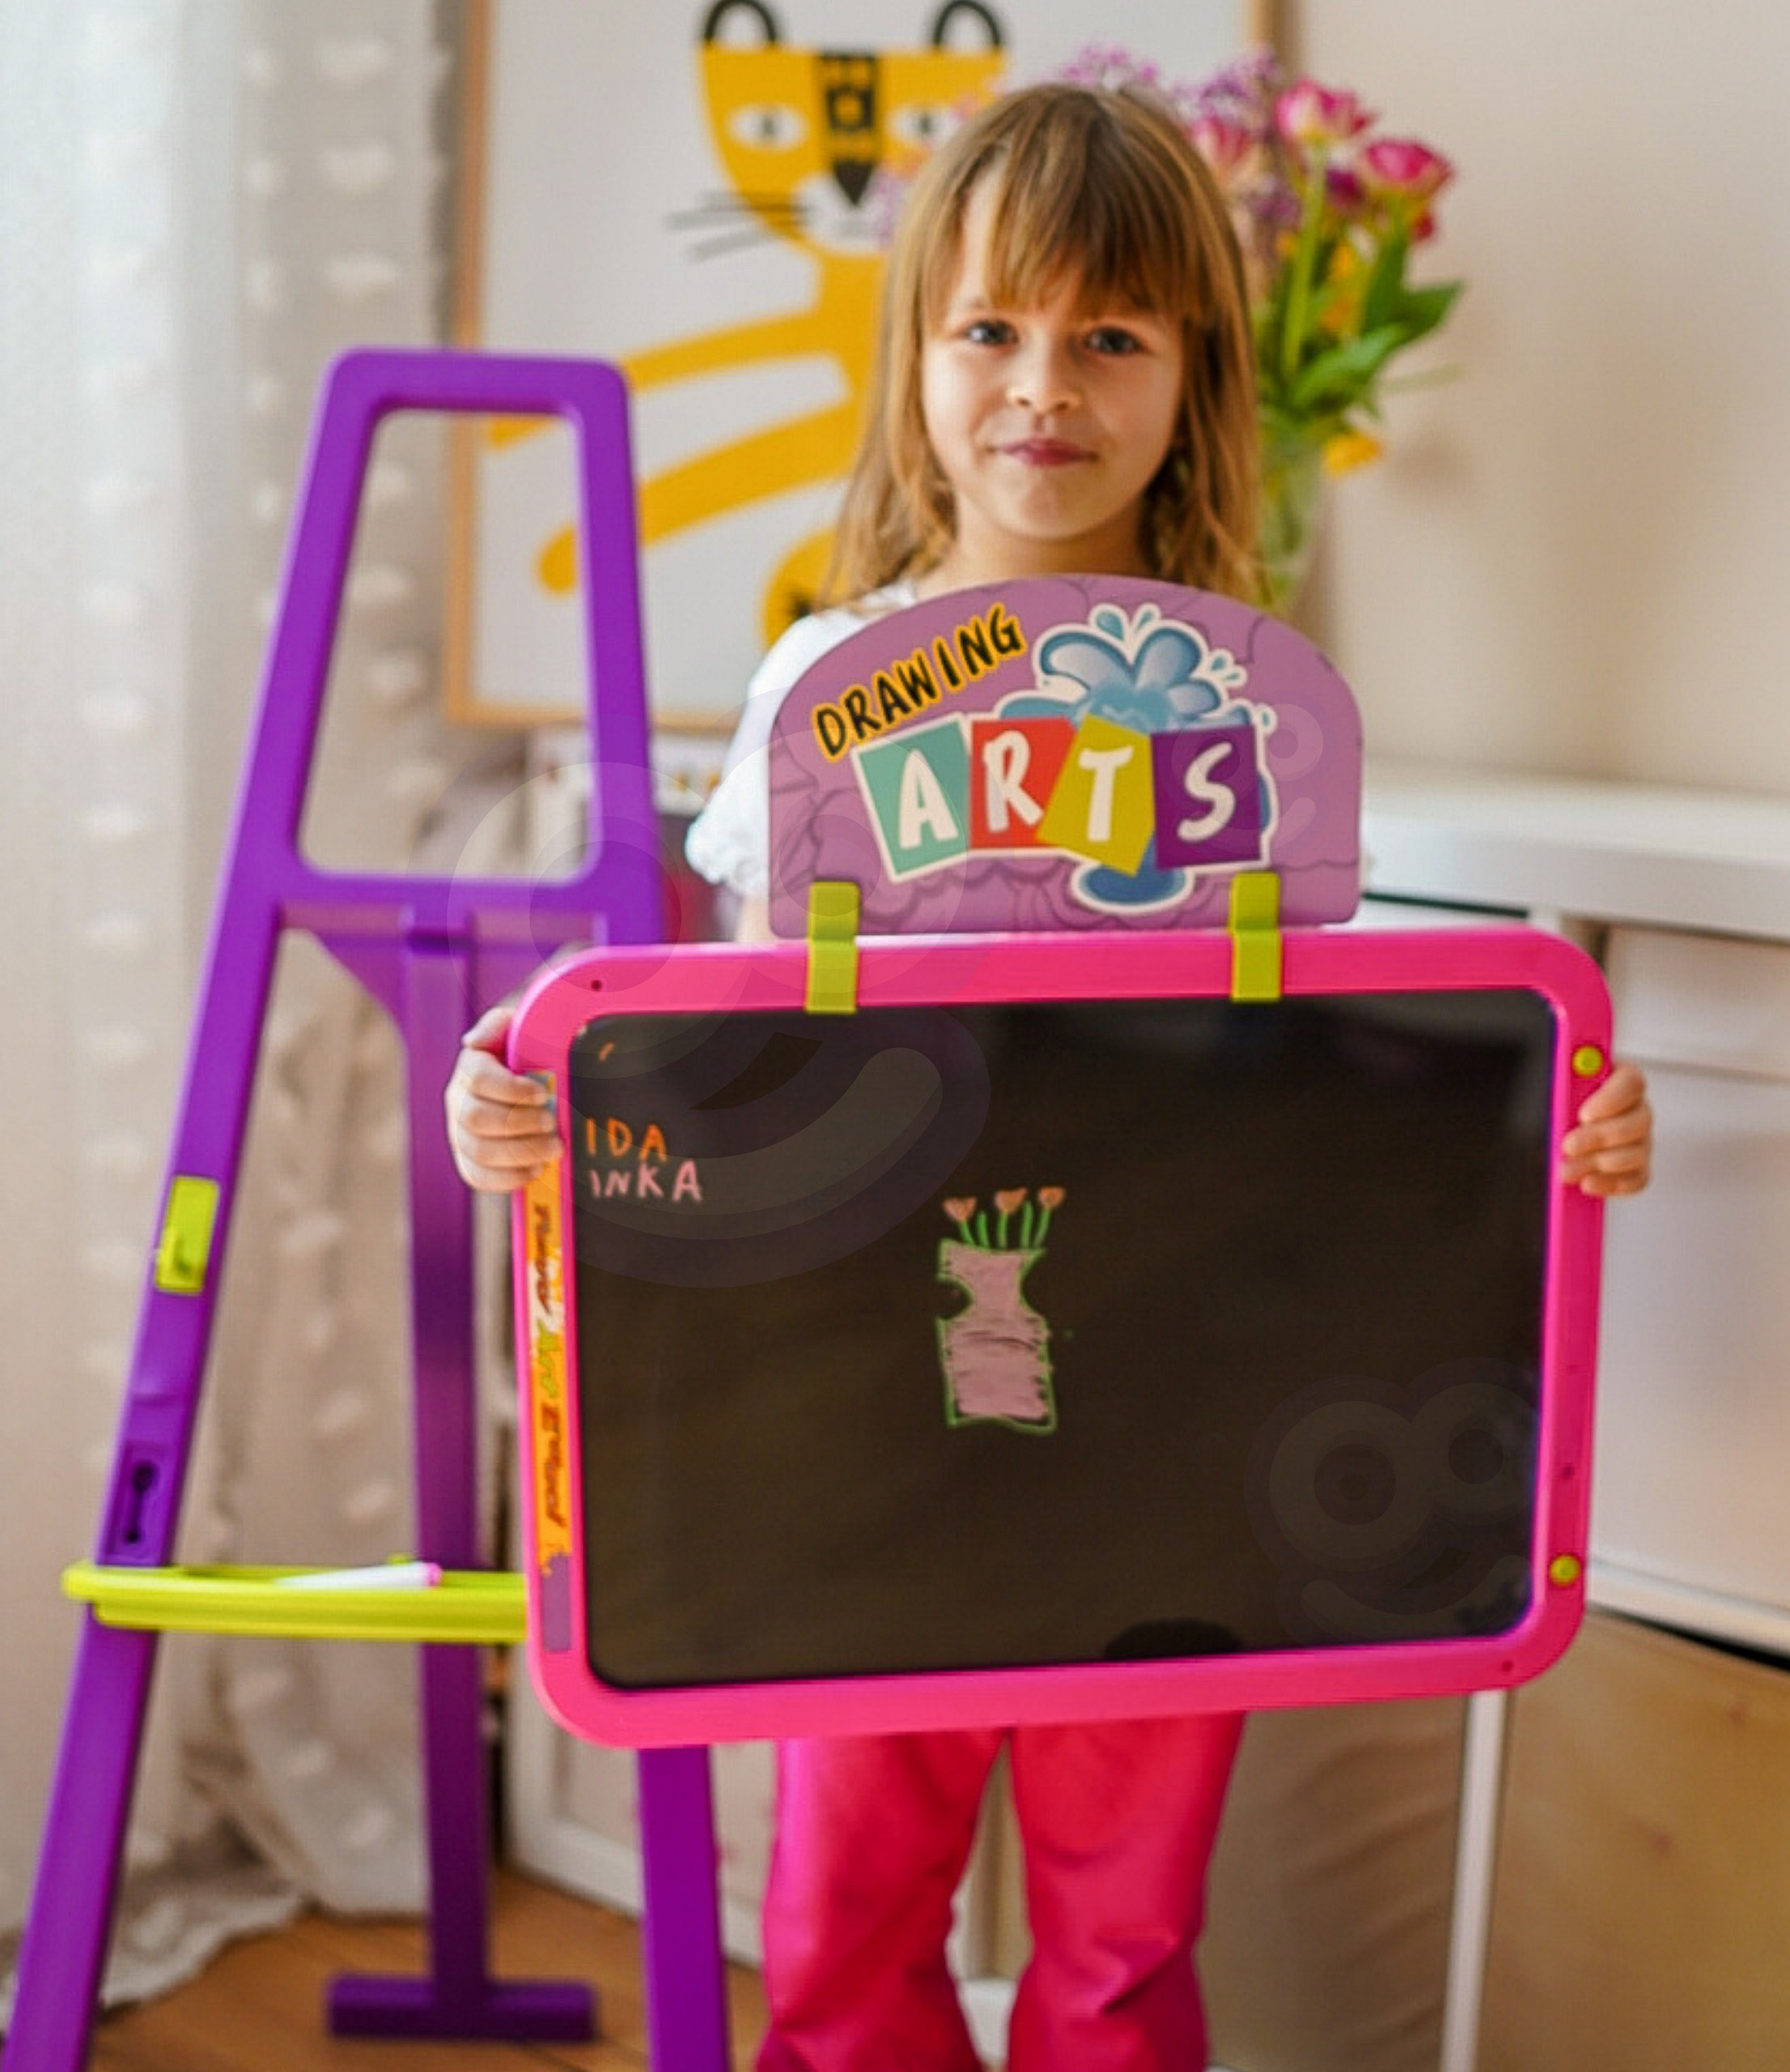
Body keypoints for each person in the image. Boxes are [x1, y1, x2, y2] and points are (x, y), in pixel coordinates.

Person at [446, 81, 1653, 2072]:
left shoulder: (1252, 707)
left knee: (1119, 1942)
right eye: (990, 328)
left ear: (1193, 375)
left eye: (1108, 335)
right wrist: (530, 1098)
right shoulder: (819, 680)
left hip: (1170, 1410)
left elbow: (1342, 1074)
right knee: (840, 1924)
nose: (1041, 385)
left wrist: (1559, 1121)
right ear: (913, 356)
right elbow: (724, 1053)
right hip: (864, 1424)